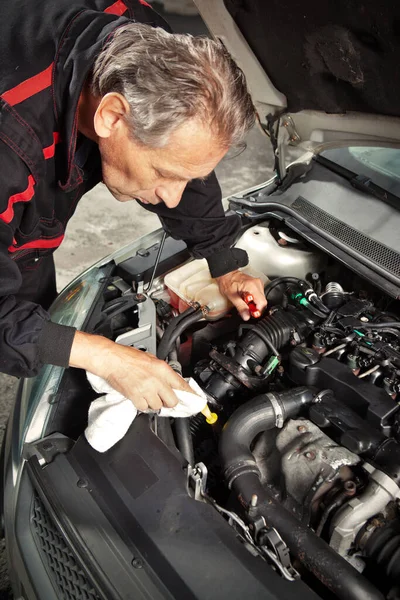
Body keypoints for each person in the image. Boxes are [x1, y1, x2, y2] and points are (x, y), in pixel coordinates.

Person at [0, 0, 267, 412]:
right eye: (163, 173)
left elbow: (182, 155)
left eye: (185, 177)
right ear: (111, 115)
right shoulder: (8, 139)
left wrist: (224, 260)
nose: (173, 197)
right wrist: (107, 357)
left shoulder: (152, 46)